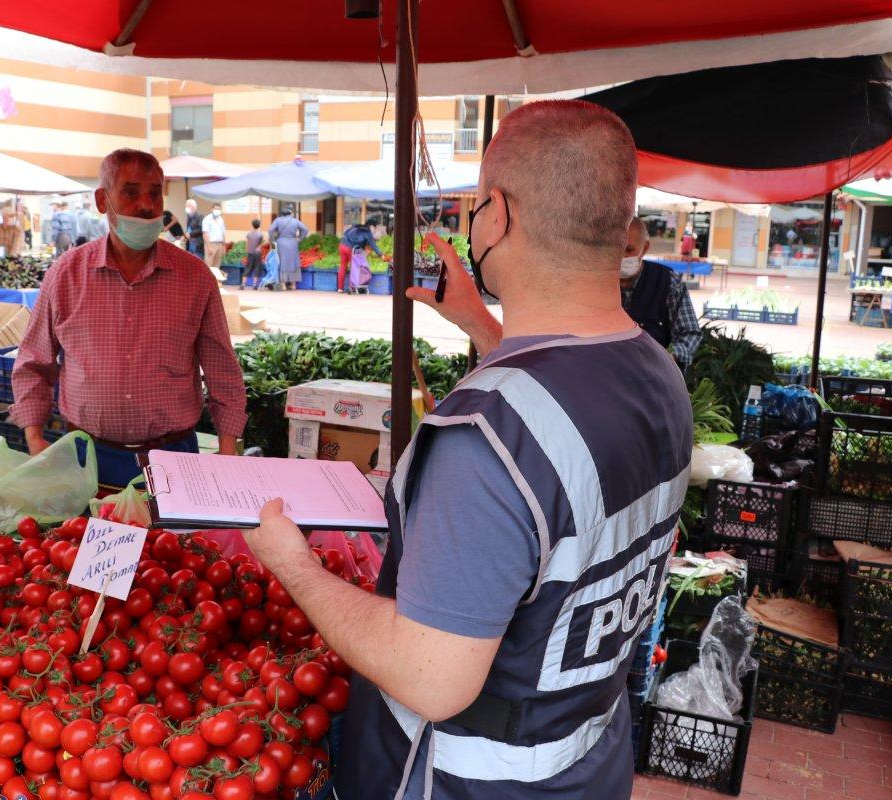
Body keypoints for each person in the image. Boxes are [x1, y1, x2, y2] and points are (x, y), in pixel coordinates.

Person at [241, 100, 692, 800]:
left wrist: (292, 565)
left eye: (476, 204)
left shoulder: (482, 442)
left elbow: (431, 678)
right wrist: (483, 326)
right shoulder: (656, 372)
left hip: (468, 780)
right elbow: (561, 440)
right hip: (588, 760)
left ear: (498, 216)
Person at [11, 149, 246, 488]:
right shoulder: (66, 275)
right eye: (131, 192)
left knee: (171, 543)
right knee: (83, 541)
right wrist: (34, 438)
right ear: (102, 200)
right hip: (86, 456)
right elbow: (34, 361)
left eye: (154, 192)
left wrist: (227, 449)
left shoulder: (195, 277)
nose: (147, 204)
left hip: (173, 456)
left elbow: (222, 368)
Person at [621, 217, 703, 371]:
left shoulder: (668, 282)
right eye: (616, 249)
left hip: (652, 375)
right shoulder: (597, 282)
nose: (621, 257)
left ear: (644, 248)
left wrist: (670, 356)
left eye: (629, 250)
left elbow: (689, 333)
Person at [269, 206, 308, 290]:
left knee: (282, 262)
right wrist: (300, 239)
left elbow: (270, 230)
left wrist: (272, 240)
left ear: (282, 214)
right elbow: (305, 229)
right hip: (293, 243)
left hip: (281, 243)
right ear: (290, 213)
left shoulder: (278, 220)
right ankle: (293, 285)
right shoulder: (295, 221)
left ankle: (283, 285)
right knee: (293, 262)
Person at [339, 219, 383, 293]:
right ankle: (352, 287)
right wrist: (381, 255)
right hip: (350, 248)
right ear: (371, 227)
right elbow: (373, 245)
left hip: (342, 245)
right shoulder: (367, 232)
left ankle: (340, 288)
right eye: (375, 228)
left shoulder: (356, 226)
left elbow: (347, 234)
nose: (374, 230)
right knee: (354, 268)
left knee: (343, 266)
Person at [202, 203, 227, 280]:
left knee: (217, 266)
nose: (217, 211)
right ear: (212, 209)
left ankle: (216, 282)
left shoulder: (221, 219)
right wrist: (209, 247)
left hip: (219, 244)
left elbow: (223, 233)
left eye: (219, 209)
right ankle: (207, 281)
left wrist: (224, 246)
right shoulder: (207, 219)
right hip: (211, 244)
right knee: (209, 265)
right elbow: (205, 234)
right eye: (216, 209)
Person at [242, 219, 266, 289]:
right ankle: (254, 285)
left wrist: (247, 249)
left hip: (250, 252)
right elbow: (264, 241)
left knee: (248, 267)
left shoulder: (249, 234)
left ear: (252, 225)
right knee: (257, 268)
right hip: (257, 253)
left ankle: (243, 284)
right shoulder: (260, 234)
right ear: (259, 226)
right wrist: (259, 246)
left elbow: (247, 242)